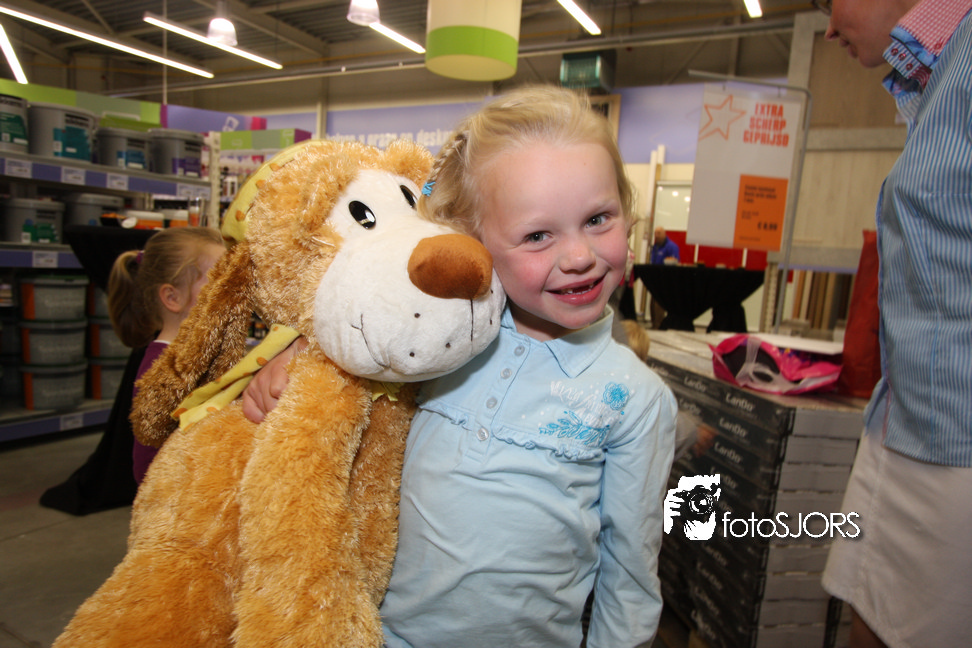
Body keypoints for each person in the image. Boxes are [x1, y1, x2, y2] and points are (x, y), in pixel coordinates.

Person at [243, 85, 678, 647]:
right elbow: (356, 363)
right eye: (538, 235)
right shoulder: (439, 344)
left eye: (598, 219)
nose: (579, 256)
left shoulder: (637, 400)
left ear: (628, 213)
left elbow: (630, 572)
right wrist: (297, 361)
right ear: (472, 239)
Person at [813, 1, 972, 647]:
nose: (827, 28)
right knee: (867, 617)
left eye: (827, 1)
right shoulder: (942, 70)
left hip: (955, 444)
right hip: (908, 420)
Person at [107, 226, 225, 485]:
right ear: (172, 297)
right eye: (219, 282)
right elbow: (147, 466)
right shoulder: (163, 370)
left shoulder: (204, 356)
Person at [648, 226, 680, 328]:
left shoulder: (672, 247)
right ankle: (654, 324)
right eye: (655, 233)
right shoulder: (656, 246)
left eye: (659, 233)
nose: (656, 236)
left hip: (665, 281)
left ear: (664, 234)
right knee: (652, 303)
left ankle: (659, 326)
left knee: (659, 304)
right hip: (655, 279)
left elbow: (674, 262)